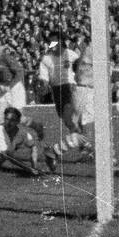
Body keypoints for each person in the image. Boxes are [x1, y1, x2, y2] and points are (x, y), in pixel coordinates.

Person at [44, 40, 96, 171]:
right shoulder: (93, 51)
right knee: (87, 135)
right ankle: (54, 151)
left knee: (86, 132)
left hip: (85, 92)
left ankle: (92, 155)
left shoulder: (89, 52)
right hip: (85, 93)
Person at [0, 36, 27, 124]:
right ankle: (4, 137)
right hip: (3, 88)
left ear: (2, 47)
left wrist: (9, 86)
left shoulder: (7, 58)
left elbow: (20, 72)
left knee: (18, 117)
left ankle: (34, 127)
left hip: (15, 88)